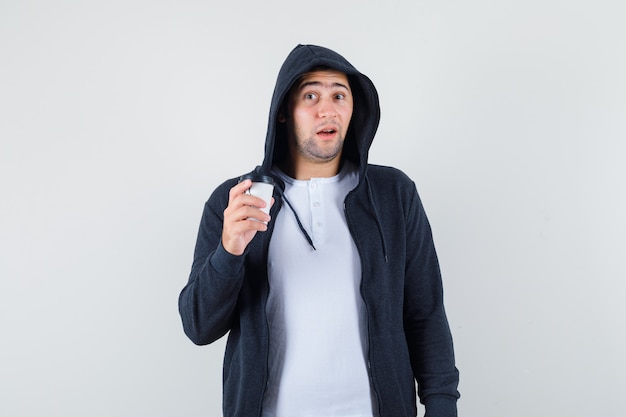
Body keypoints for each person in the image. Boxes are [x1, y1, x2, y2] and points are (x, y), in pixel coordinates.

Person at [179, 44, 460, 417]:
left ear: (353, 108)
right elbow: (199, 326)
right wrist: (228, 253)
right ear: (283, 112)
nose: (327, 109)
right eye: (310, 95)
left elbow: (425, 313)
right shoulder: (237, 201)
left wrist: (442, 405)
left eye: (338, 95)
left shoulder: (394, 195)